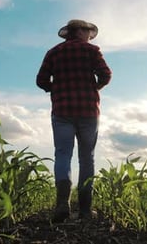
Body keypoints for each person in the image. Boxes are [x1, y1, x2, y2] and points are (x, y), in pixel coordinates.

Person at [36, 19, 112, 222]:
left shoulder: (54, 52)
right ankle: (86, 210)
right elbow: (106, 74)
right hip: (88, 111)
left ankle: (62, 204)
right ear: (80, 31)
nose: (90, 36)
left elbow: (41, 80)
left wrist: (57, 90)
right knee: (87, 158)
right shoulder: (92, 51)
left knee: (63, 155)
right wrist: (95, 88)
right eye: (88, 32)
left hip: (61, 111)